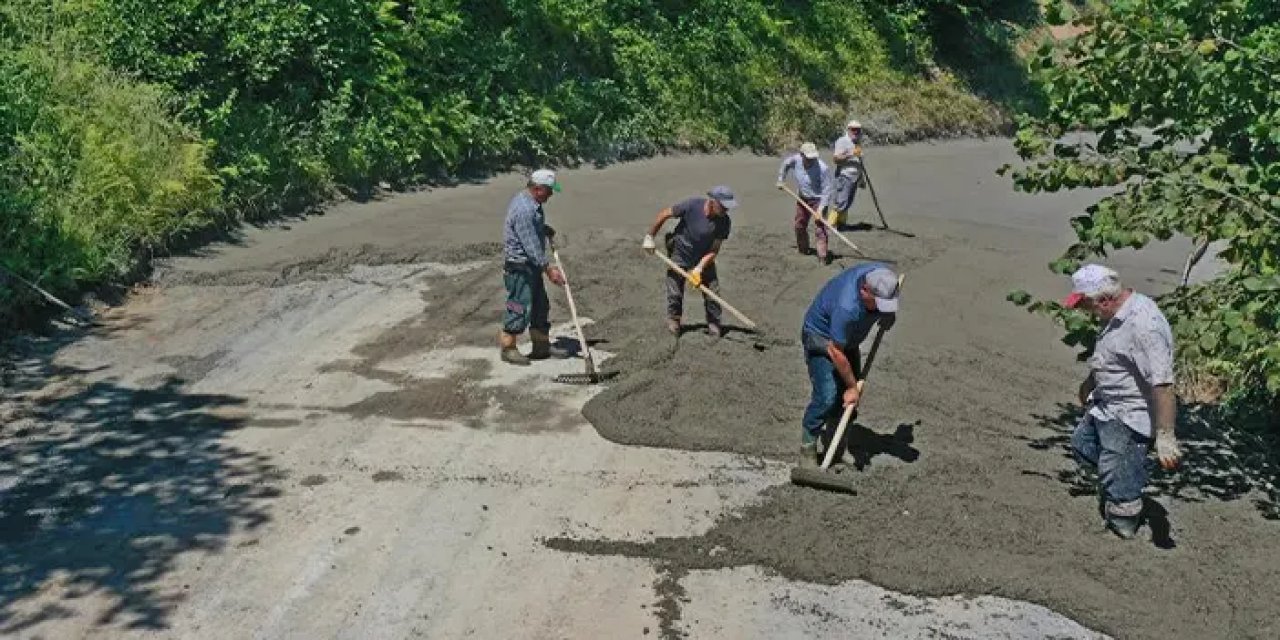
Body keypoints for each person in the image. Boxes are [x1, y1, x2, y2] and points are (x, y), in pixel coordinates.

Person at [1063, 264, 1182, 539]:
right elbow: (1114, 353)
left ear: (1103, 300)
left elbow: (1162, 384)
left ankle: (1123, 520)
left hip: (1131, 414)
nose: (1084, 311)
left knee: (1121, 475)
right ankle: (1104, 481)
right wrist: (1090, 383)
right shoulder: (1115, 313)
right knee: (1083, 445)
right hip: (1106, 403)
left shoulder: (1144, 325)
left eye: (1086, 305)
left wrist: (1165, 436)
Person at [797, 262, 900, 468]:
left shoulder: (883, 277)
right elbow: (836, 351)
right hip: (822, 339)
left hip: (847, 340)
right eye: (879, 304)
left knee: (847, 403)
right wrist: (852, 387)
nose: (881, 308)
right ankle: (807, 448)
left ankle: (835, 447)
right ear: (864, 291)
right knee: (827, 396)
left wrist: (889, 315)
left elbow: (889, 294)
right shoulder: (847, 307)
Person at [641, 186, 737, 337]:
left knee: (712, 291)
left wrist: (699, 268)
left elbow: (714, 249)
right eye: (723, 206)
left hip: (703, 256)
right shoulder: (692, 205)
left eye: (728, 207)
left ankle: (714, 323)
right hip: (680, 251)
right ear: (713, 202)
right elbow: (665, 214)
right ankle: (674, 320)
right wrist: (650, 237)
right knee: (675, 290)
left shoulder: (724, 222)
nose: (726, 210)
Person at [499, 169, 568, 366]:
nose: (551, 194)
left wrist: (542, 228)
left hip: (531, 266)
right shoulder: (525, 210)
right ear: (538, 189)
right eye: (549, 190)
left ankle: (541, 345)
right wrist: (549, 269)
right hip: (520, 267)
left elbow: (530, 230)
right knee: (518, 306)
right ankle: (508, 348)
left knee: (540, 305)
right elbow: (530, 246)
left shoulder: (532, 203)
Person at [776, 142, 835, 264]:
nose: (811, 160)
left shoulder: (822, 168)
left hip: (818, 199)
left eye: (813, 158)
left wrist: (820, 209)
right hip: (802, 198)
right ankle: (803, 249)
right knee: (799, 225)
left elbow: (827, 190)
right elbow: (785, 164)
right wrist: (781, 179)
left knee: (820, 228)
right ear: (801, 155)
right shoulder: (795, 160)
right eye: (808, 158)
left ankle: (822, 256)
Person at [829, 120, 865, 228]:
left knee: (848, 202)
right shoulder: (842, 141)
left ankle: (841, 224)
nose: (856, 132)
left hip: (855, 176)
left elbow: (859, 162)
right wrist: (851, 154)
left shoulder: (857, 143)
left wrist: (861, 178)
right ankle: (830, 225)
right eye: (853, 129)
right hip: (844, 175)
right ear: (848, 130)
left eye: (858, 130)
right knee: (841, 201)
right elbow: (836, 159)